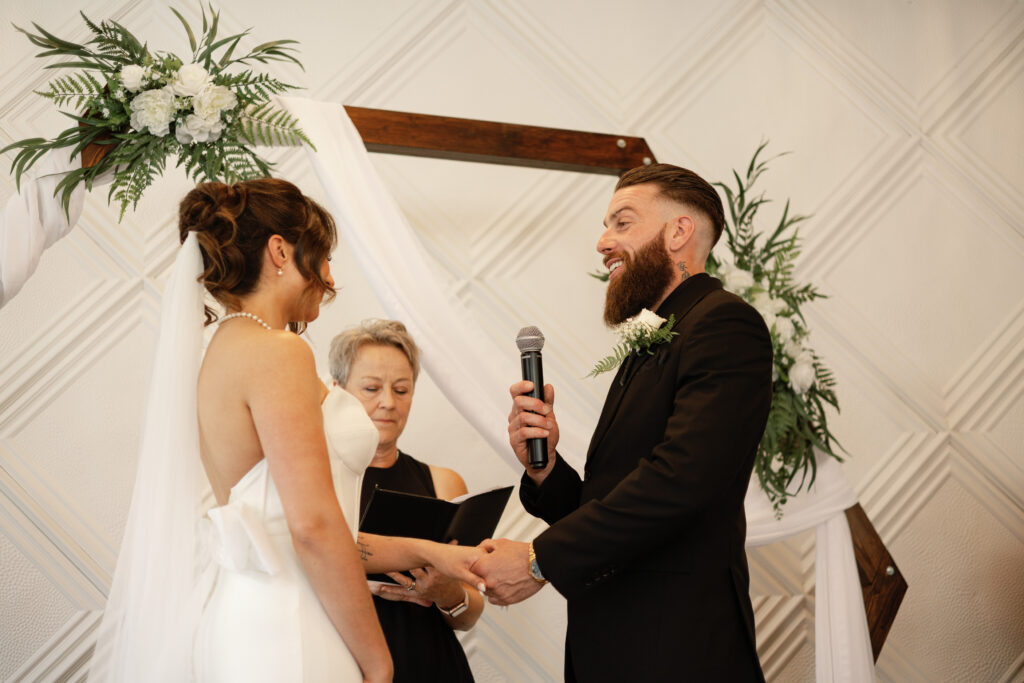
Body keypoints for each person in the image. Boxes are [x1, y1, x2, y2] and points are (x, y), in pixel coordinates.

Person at [91, 178, 484, 683]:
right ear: (281, 251)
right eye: (323, 257)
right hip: (289, 624)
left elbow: (292, 520)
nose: (329, 275)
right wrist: (377, 660)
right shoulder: (278, 351)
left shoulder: (220, 346)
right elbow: (314, 528)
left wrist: (430, 553)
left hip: (249, 612)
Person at [474, 164, 773, 682]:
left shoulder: (725, 324)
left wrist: (537, 561)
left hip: (677, 648)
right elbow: (614, 496)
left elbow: (679, 482)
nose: (602, 242)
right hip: (615, 642)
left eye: (622, 223)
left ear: (678, 232)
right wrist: (545, 470)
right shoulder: (658, 336)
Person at [329, 319, 482, 683]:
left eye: (401, 389)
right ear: (336, 391)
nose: (387, 403)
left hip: (434, 666)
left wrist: (448, 594)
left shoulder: (443, 482)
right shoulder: (315, 480)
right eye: (370, 388)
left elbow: (470, 612)